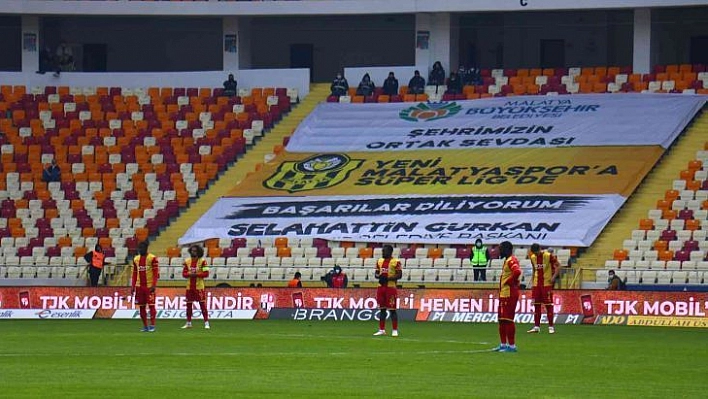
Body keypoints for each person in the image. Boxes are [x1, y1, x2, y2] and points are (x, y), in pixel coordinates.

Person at [493, 241, 521, 353]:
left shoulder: (512, 260)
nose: (499, 251)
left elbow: (517, 271)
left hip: (509, 294)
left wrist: (510, 281)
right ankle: (503, 344)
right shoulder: (506, 261)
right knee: (501, 320)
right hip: (503, 294)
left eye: (500, 249)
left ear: (506, 249)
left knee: (508, 320)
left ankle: (512, 346)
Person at [527, 244, 560, 334]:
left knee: (549, 306)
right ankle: (536, 327)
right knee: (536, 305)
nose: (536, 254)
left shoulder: (548, 256)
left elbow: (558, 265)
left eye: (537, 252)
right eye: (534, 253)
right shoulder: (533, 257)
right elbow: (534, 269)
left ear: (540, 249)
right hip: (536, 285)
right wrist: (532, 281)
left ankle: (551, 327)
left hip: (546, 284)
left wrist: (553, 277)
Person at [373, 244, 402, 337]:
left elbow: (399, 275)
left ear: (390, 252)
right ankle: (381, 330)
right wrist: (379, 276)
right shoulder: (379, 261)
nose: (382, 252)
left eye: (384, 251)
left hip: (391, 288)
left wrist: (388, 279)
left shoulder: (396, 262)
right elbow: (376, 273)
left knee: (392, 310)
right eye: (382, 251)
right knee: (382, 309)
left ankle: (394, 330)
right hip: (381, 288)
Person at [130, 241, 159, 332]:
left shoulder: (152, 258)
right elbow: (134, 274)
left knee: (151, 306)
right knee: (141, 307)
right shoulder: (136, 259)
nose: (140, 250)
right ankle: (145, 326)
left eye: (142, 248)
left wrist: (154, 285)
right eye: (139, 248)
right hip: (139, 287)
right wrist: (132, 286)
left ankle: (153, 325)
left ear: (146, 249)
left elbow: (155, 273)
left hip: (149, 286)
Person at [181, 244, 210, 329]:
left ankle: (206, 322)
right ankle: (188, 323)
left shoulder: (203, 261)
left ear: (198, 252)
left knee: (202, 305)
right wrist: (189, 274)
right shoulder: (187, 261)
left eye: (195, 251)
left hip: (199, 287)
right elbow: (184, 274)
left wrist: (195, 274)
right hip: (189, 287)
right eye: (192, 251)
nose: (193, 252)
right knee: (188, 305)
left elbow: (206, 274)